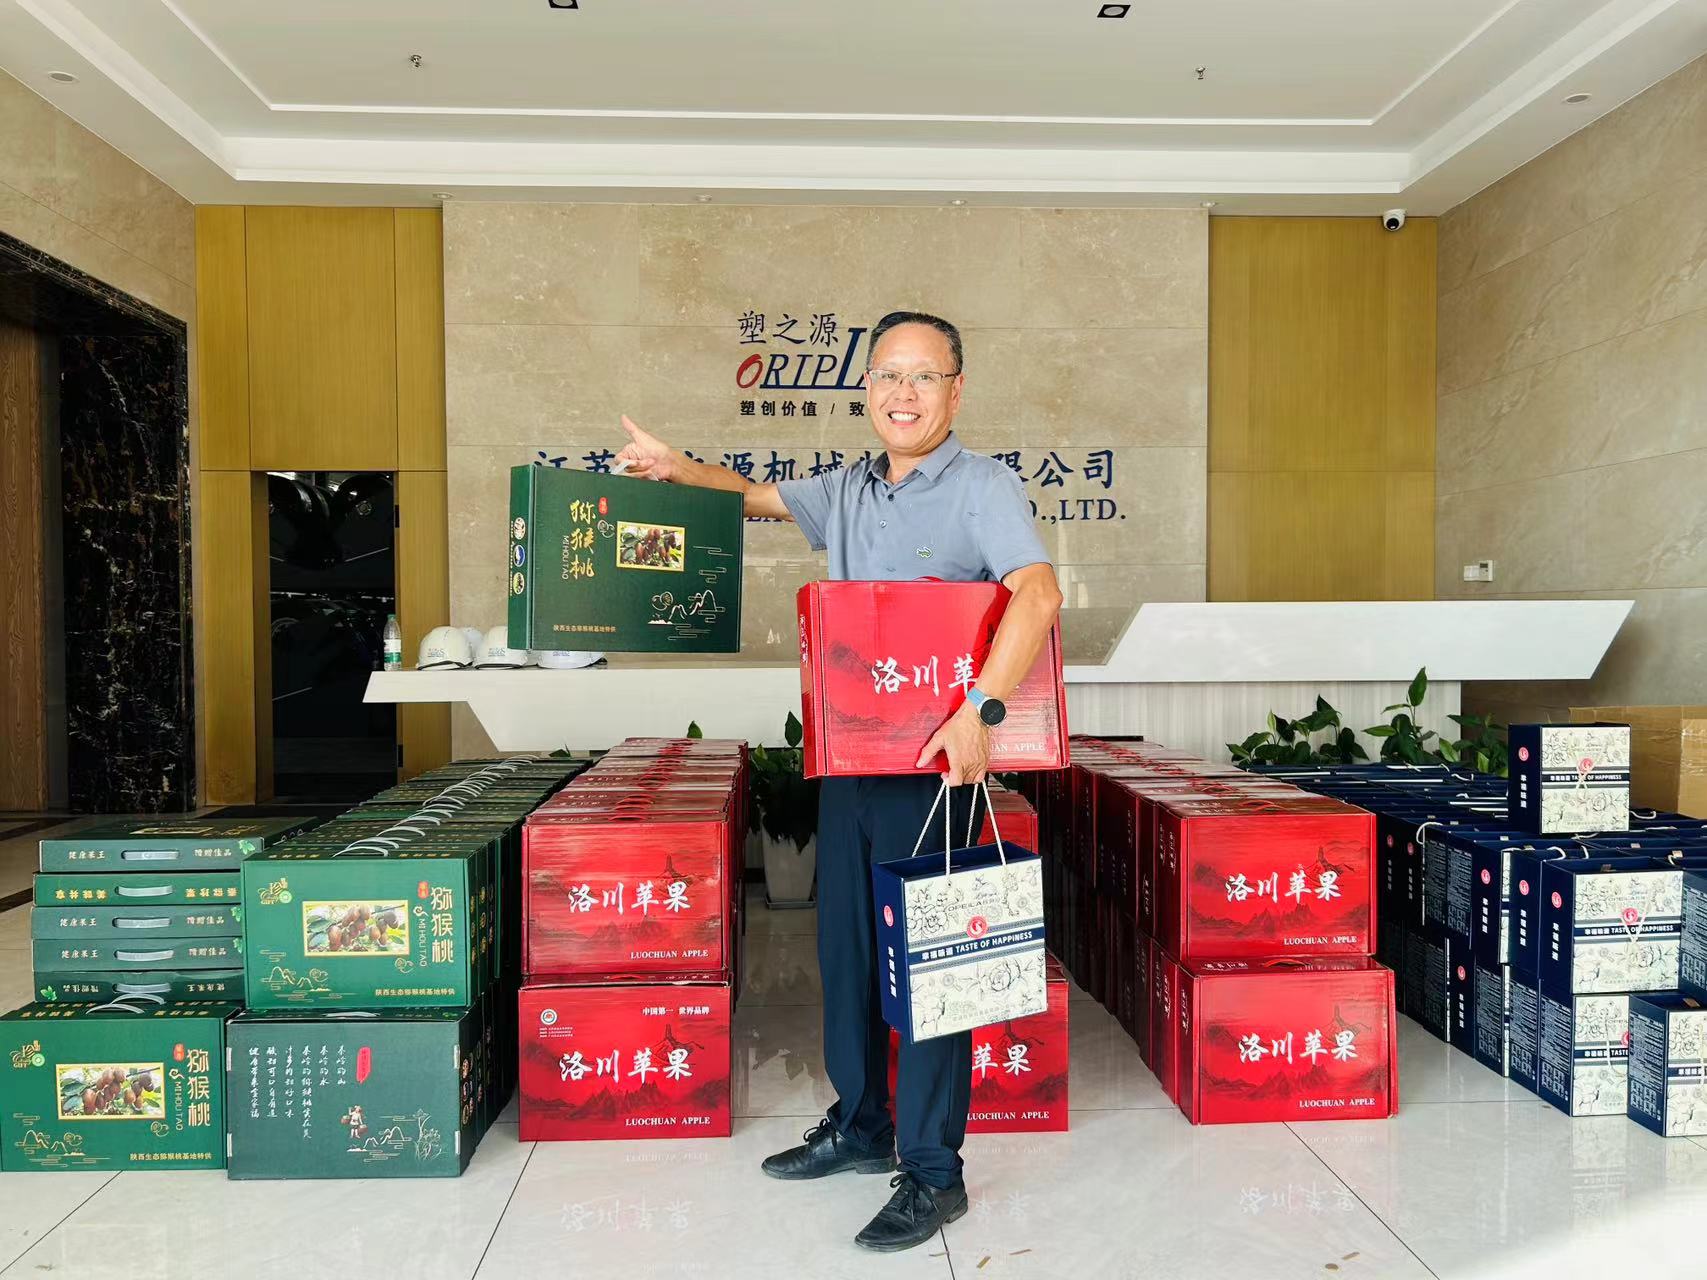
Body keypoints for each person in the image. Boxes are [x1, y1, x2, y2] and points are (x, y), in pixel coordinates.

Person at [615, 310, 1063, 1253]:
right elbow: (751, 499)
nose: (903, 392)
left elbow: (1038, 593)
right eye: (887, 374)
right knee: (848, 956)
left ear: (955, 391)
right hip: (850, 762)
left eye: (923, 376)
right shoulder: (847, 487)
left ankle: (934, 1173)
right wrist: (677, 470)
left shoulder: (981, 486)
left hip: (934, 772)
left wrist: (979, 712)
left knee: (932, 973)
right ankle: (862, 1125)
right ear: (866, 389)